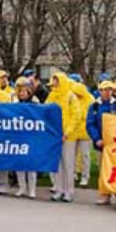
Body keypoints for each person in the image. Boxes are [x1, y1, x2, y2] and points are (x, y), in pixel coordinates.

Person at [87, 80, 116, 206]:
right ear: (100, 91)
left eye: (110, 90)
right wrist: (97, 139)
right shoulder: (95, 106)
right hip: (101, 144)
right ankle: (104, 194)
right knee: (103, 170)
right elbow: (90, 124)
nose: (107, 92)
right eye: (105, 90)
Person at [46, 73, 81, 203]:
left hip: (68, 137)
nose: (53, 82)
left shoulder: (71, 96)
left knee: (68, 164)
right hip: (55, 136)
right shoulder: (52, 96)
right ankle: (59, 189)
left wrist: (67, 132)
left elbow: (76, 116)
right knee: (57, 164)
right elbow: (45, 112)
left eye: (55, 80)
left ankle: (69, 191)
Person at [13, 77, 40, 198]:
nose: (22, 93)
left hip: (31, 138)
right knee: (19, 164)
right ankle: (22, 187)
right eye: (20, 91)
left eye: (25, 91)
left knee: (31, 165)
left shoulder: (35, 104)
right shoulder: (15, 105)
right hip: (19, 137)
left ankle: (32, 189)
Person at [71, 82, 94, 188]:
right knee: (72, 155)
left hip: (85, 132)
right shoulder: (72, 98)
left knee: (85, 155)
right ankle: (73, 174)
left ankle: (85, 176)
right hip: (74, 131)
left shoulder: (90, 100)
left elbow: (91, 116)